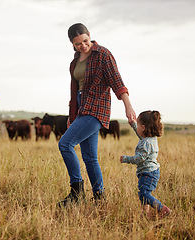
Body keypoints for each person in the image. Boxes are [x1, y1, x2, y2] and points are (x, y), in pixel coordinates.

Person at [57, 23, 136, 207]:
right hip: (81, 108)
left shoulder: (103, 55)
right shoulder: (75, 61)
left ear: (89, 35)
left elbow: (117, 81)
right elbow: (74, 90)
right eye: (78, 44)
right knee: (90, 157)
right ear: (72, 44)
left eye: (85, 41)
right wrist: (72, 114)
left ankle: (77, 193)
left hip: (96, 108)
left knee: (65, 144)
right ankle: (100, 198)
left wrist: (128, 105)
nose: (83, 46)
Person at [120, 110, 171, 218]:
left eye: (138, 125)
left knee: (144, 194)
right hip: (149, 172)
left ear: (143, 127)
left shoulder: (146, 143)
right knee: (143, 193)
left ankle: (162, 209)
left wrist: (126, 159)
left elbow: (140, 158)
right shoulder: (150, 139)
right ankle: (145, 214)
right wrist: (133, 124)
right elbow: (140, 134)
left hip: (148, 173)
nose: (137, 127)